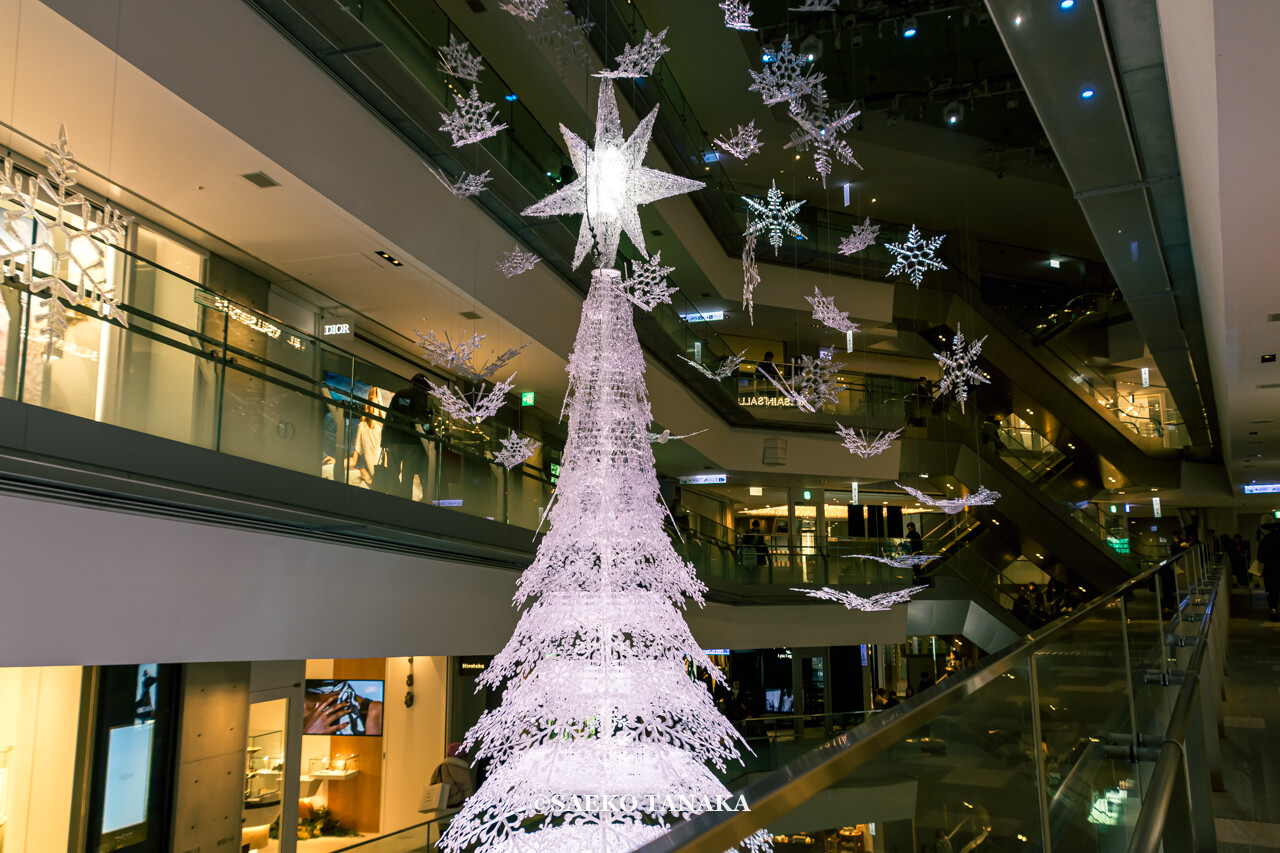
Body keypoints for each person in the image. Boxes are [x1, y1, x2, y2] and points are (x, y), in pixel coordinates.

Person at [382, 374, 434, 498]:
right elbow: (426, 422)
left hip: (395, 439)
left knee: (393, 472)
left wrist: (384, 440)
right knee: (408, 475)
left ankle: (394, 498)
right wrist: (431, 437)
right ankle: (405, 501)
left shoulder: (400, 394)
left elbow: (389, 417)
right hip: (413, 442)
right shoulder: (425, 399)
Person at [351, 394, 385, 489]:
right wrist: (337, 460)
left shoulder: (382, 427)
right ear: (368, 407)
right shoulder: (362, 426)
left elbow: (387, 459)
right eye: (372, 406)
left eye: (376, 406)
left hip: (382, 479)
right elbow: (354, 460)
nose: (374, 409)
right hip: (372, 477)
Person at [1257, 523, 1280, 622]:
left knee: (1273, 592)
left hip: (1271, 570)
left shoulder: (1266, 540)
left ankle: (1273, 611)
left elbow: (1260, 557)